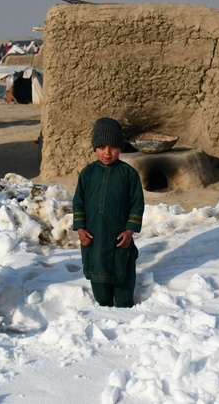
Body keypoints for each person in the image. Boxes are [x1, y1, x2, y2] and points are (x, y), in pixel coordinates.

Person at [73, 117, 145, 308]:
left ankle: (124, 308)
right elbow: (78, 202)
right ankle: (104, 307)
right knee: (98, 278)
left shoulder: (129, 175)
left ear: (120, 148)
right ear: (94, 147)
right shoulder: (87, 174)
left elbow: (137, 204)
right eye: (102, 146)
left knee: (123, 275)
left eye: (113, 147)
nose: (107, 152)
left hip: (119, 238)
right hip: (94, 237)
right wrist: (80, 229)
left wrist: (129, 231)